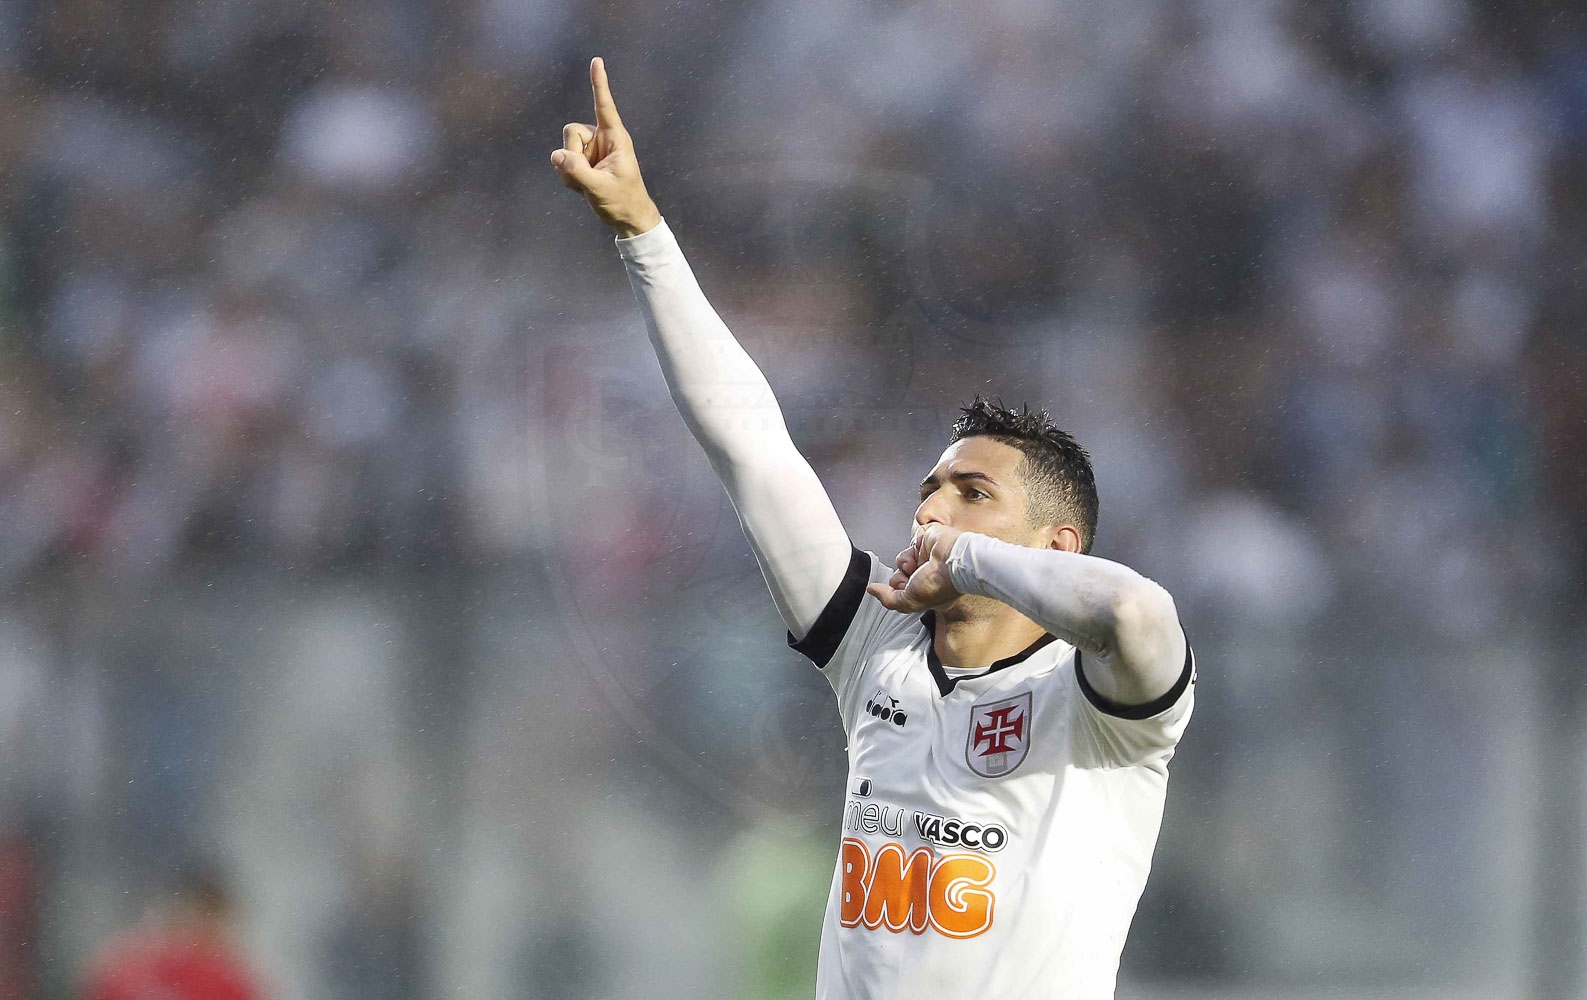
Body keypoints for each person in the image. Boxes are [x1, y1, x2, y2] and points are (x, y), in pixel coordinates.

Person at [552, 57, 1195, 999]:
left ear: (1056, 545)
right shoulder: (874, 651)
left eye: (971, 493)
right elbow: (751, 448)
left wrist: (967, 559)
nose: (929, 511)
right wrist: (642, 234)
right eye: (929, 490)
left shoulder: (1100, 704)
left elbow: (1136, 612)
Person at [79, 867, 267, 1000]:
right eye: (199, 914)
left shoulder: (232, 979)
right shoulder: (130, 966)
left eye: (213, 919)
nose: (204, 928)